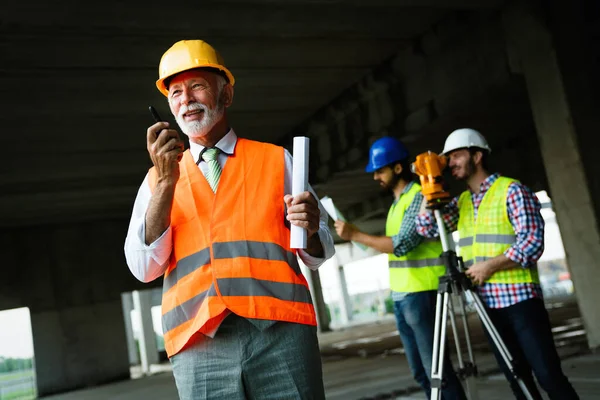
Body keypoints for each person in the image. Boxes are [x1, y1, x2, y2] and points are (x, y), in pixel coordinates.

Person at [124, 39, 335, 400]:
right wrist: (165, 184)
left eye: (197, 86)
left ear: (226, 95)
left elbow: (320, 252)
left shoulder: (275, 160)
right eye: (175, 92)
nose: (186, 99)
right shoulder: (156, 180)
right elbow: (143, 267)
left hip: (281, 332)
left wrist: (313, 229)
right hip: (198, 344)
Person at [415, 128, 579, 400]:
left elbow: (532, 243)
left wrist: (489, 267)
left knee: (549, 376)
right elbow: (426, 228)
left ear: (477, 156)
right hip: (487, 306)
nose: (450, 163)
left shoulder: (512, 191)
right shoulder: (463, 202)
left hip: (520, 302)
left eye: (456, 156)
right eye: (447, 158)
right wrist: (428, 182)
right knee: (518, 380)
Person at [334, 137, 466, 400]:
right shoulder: (397, 204)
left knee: (437, 374)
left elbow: (402, 244)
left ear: (397, 168)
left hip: (423, 293)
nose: (375, 177)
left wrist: (355, 235)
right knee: (421, 373)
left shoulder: (418, 196)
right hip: (403, 296)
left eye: (379, 170)